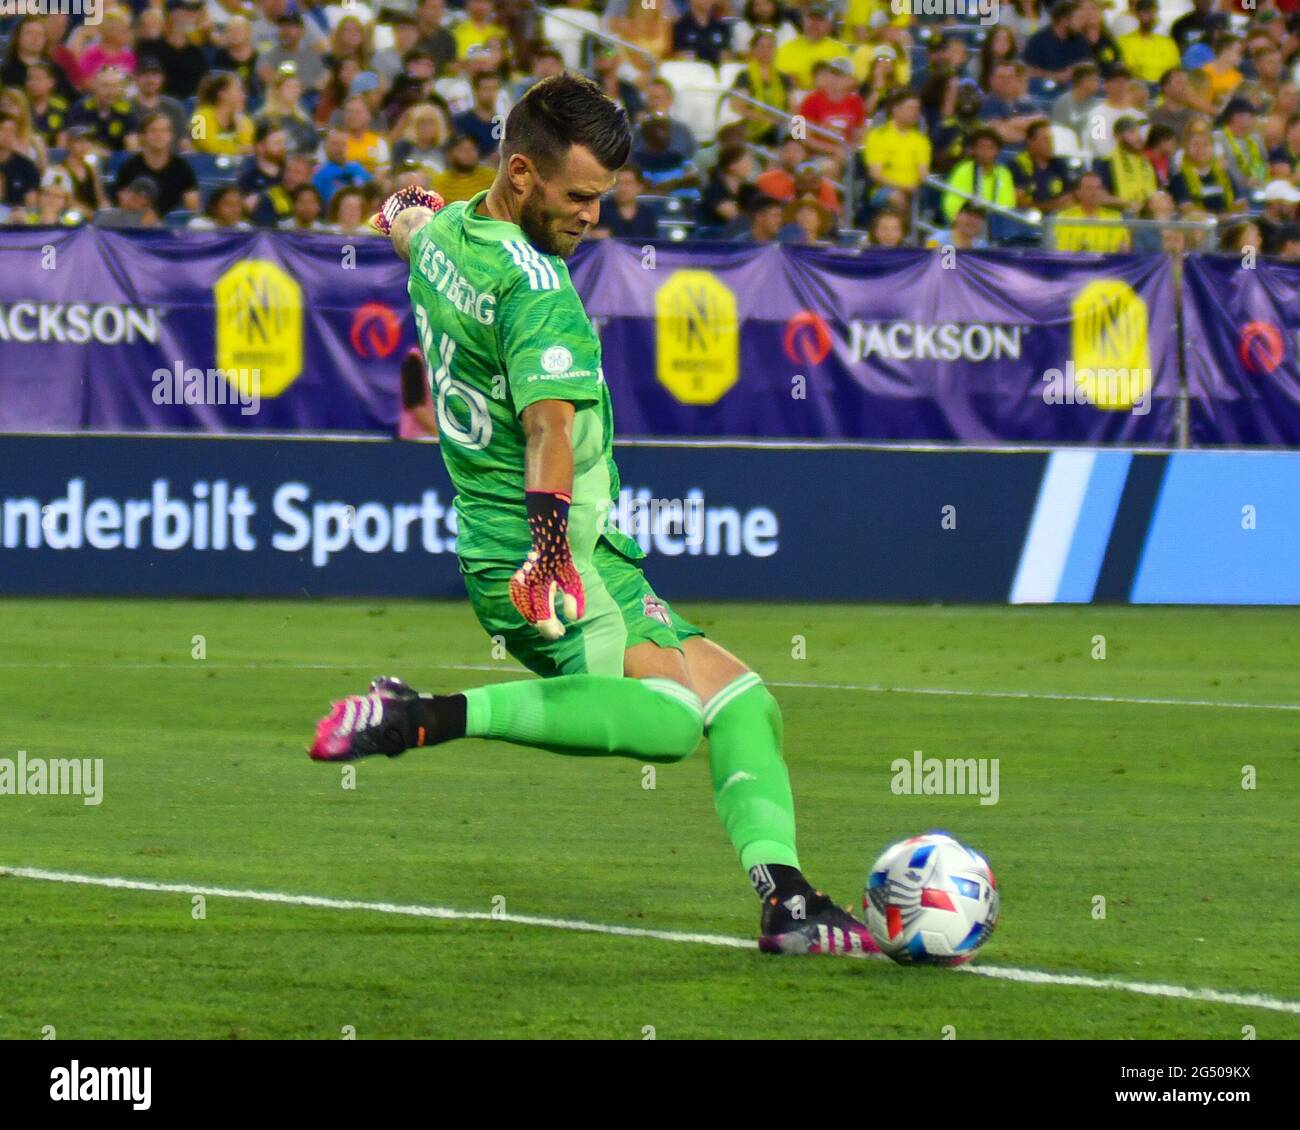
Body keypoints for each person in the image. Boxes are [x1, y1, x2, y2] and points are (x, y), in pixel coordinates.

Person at [310, 72, 878, 958]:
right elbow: (547, 432)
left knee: (744, 703)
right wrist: (547, 557)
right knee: (667, 723)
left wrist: (401, 214)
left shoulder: (454, 232)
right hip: (539, 561)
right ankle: (422, 715)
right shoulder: (541, 289)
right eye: (578, 197)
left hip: (595, 556)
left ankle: (788, 900)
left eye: (602, 198)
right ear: (524, 173)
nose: (591, 217)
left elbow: (414, 226)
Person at [112, 111, 200, 216]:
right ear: (143, 136)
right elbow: (123, 205)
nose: (159, 135)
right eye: (153, 131)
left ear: (171, 136)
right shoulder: (129, 167)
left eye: (164, 131)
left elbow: (192, 208)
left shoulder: (183, 169)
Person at [1053, 168, 1129, 250]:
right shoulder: (1064, 217)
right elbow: (1061, 251)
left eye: (1098, 188)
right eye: (1089, 188)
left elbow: (1125, 250)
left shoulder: (1115, 218)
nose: (1095, 192)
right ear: (1078, 193)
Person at [1118, 0, 1180, 86]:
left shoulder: (1168, 43)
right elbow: (1126, 70)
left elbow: (1174, 70)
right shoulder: (1124, 42)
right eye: (1146, 12)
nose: (1150, 16)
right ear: (1137, 15)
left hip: (1164, 88)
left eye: (1153, 12)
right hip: (1137, 88)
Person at [588, 163, 656, 240]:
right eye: (618, 183)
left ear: (639, 187)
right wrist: (592, 235)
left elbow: (652, 245)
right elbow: (583, 237)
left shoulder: (647, 215)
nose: (623, 188)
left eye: (628, 183)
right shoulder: (600, 209)